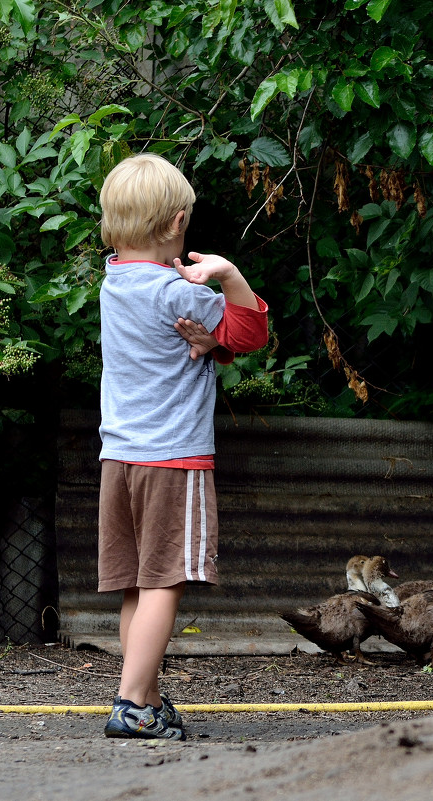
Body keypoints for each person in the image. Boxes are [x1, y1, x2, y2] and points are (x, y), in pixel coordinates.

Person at [96, 153, 268, 740]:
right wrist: (226, 274)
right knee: (164, 582)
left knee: (135, 586)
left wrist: (208, 347)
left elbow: (191, 345)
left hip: (118, 457)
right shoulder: (180, 294)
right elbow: (251, 332)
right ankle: (129, 704)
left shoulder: (114, 282)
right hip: (172, 458)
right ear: (175, 224)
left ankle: (147, 695)